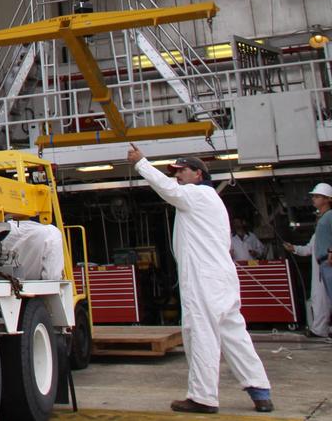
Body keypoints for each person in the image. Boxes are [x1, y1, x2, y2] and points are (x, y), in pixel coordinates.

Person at [127, 146, 273, 414]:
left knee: (201, 333)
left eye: (182, 170)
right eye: (176, 171)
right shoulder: (209, 199)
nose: (178, 175)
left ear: (199, 174)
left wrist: (141, 164)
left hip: (203, 278)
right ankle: (260, 391)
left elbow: (168, 189)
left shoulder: (196, 195)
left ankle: (203, 397)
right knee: (234, 335)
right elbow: (171, 187)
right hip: (222, 277)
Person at [283, 182, 332, 338]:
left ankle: (321, 329)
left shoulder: (330, 216)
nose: (314, 199)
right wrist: (295, 249)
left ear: (327, 199)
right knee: (319, 298)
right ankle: (320, 329)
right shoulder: (321, 220)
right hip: (321, 264)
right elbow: (312, 246)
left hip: (328, 262)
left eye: (317, 196)